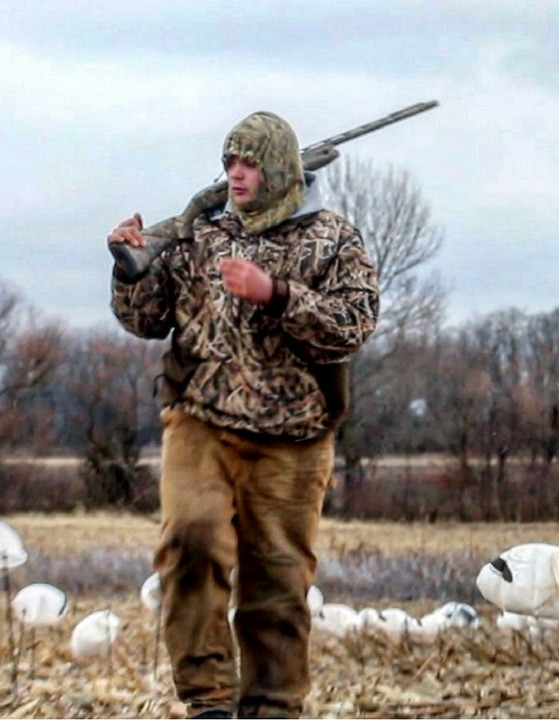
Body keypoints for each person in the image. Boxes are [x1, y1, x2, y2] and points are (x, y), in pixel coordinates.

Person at [108, 111, 379, 719]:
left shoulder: (333, 239)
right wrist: (128, 266)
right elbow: (147, 319)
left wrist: (276, 293)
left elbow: (352, 327)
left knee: (278, 585)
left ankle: (272, 709)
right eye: (230, 161)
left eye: (250, 162)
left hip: (294, 437)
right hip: (202, 420)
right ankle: (208, 701)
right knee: (191, 538)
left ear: (280, 168)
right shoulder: (200, 231)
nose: (235, 173)